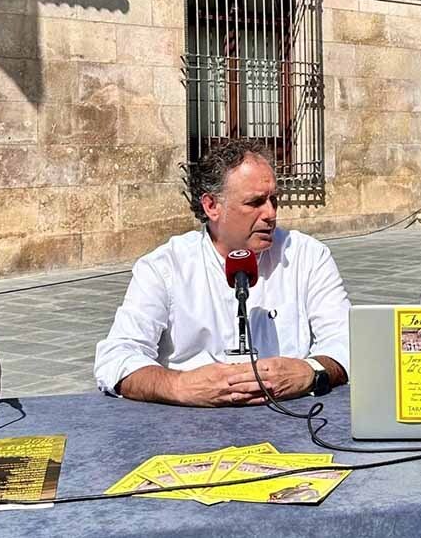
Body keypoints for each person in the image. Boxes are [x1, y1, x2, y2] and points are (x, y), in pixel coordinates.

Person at [94, 140, 350, 407]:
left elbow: (347, 343)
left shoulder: (308, 256)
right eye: (255, 202)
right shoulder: (165, 267)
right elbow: (116, 358)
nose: (271, 213)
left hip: (292, 419)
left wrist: (311, 371)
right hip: (190, 428)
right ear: (211, 206)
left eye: (274, 199)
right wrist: (179, 385)